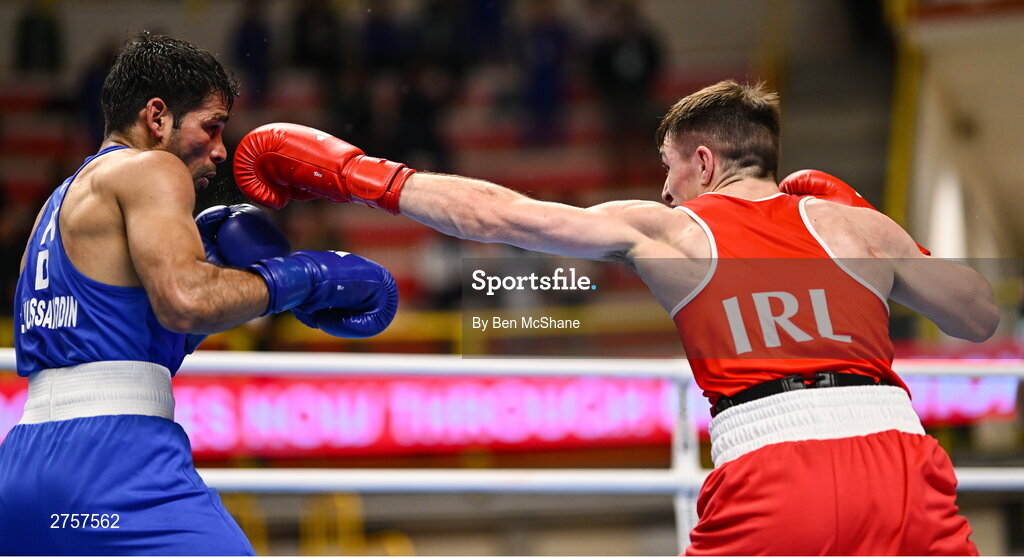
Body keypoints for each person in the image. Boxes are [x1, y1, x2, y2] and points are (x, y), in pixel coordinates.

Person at [232, 80, 999, 554]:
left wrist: (362, 176)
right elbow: (976, 315)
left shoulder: (671, 228)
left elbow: (502, 214)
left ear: (702, 161)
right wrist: (876, 222)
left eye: (668, 168)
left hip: (775, 468)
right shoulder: (857, 228)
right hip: (902, 460)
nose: (664, 189)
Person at [0, 32, 397, 555]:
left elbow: (130, 341)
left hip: (24, 468)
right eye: (211, 126)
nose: (221, 150)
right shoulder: (152, 168)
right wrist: (303, 278)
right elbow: (184, 299)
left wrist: (226, 284)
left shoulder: (55, 206)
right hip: (113, 462)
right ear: (157, 117)